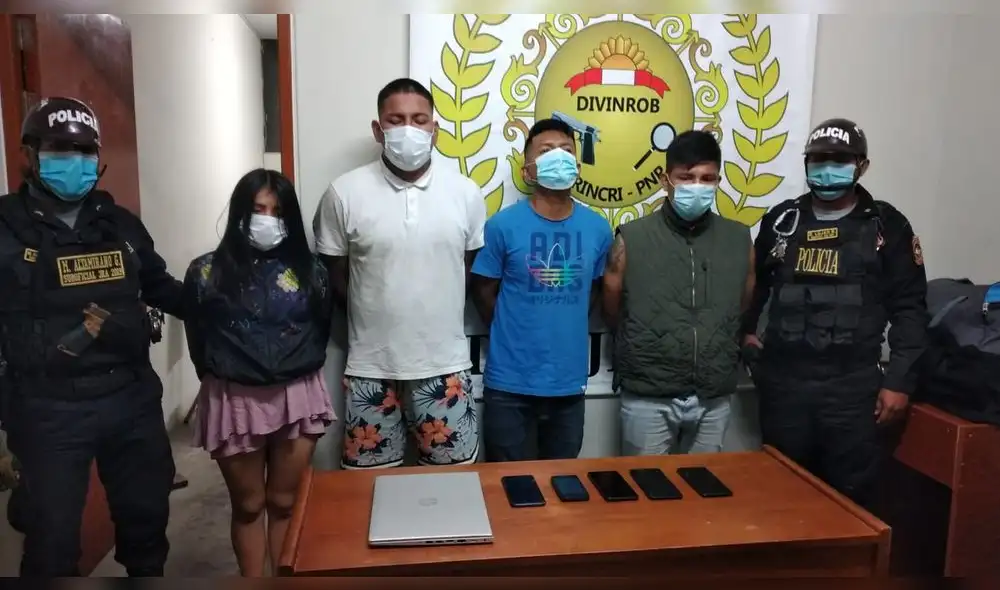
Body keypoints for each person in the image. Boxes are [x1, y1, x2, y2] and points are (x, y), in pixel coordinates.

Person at [0, 97, 183, 576]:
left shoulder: (118, 223)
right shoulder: (4, 228)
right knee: (52, 542)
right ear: (29, 153)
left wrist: (220, 299)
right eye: (60, 149)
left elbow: (160, 286)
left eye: (85, 151)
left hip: (129, 397)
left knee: (147, 527)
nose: (75, 161)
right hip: (48, 407)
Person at [742, 118, 927, 507]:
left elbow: (910, 308)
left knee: (850, 500)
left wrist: (900, 382)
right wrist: (748, 336)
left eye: (839, 159)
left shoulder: (886, 225)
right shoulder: (781, 220)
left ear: (861, 165)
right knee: (780, 493)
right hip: (784, 385)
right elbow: (756, 289)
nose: (827, 168)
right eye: (818, 158)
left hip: (851, 391)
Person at [314, 78, 486, 470]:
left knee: (453, 485)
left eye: (419, 119)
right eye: (396, 119)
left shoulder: (465, 193)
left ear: (434, 130)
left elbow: (470, 266)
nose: (409, 128)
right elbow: (334, 274)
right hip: (370, 370)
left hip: (445, 367)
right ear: (378, 129)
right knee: (366, 492)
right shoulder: (343, 193)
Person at [184, 169, 336, 577]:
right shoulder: (205, 272)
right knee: (248, 506)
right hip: (234, 397)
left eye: (276, 210)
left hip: (297, 394)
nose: (267, 218)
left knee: (285, 502)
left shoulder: (314, 272)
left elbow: (322, 327)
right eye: (257, 209)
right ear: (239, 213)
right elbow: (197, 338)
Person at [603, 130, 752, 456]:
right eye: (686, 177)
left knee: (702, 496)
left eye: (707, 178)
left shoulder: (739, 239)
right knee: (643, 495)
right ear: (664, 179)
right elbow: (612, 308)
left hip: (713, 397)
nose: (697, 186)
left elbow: (742, 303)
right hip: (648, 396)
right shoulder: (632, 237)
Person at [471, 118, 612, 462]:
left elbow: (592, 293)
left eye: (566, 151)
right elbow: (483, 291)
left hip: (568, 384)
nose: (558, 158)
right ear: (528, 169)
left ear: (578, 167)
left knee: (562, 491)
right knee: (503, 490)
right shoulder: (501, 226)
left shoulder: (598, 228)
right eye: (546, 152)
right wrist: (515, 328)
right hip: (508, 384)